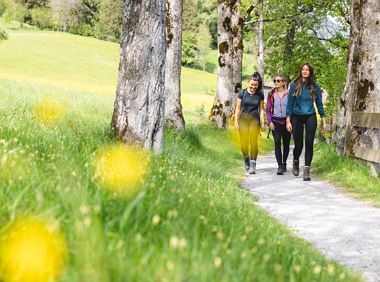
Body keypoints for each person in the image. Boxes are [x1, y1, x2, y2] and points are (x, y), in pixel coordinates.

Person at [286, 63, 327, 181]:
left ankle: (306, 170)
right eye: (303, 69)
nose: (304, 71)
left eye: (307, 70)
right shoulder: (294, 86)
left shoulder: (315, 86)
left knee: (309, 143)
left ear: (310, 72)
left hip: (310, 116)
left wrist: (324, 120)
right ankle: (295, 161)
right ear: (300, 71)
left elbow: (319, 104)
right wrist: (288, 121)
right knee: (298, 145)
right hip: (296, 117)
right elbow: (289, 104)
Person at [234, 72, 265, 174]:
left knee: (253, 141)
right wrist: (236, 122)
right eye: (252, 84)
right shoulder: (242, 93)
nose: (253, 87)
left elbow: (261, 110)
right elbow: (238, 108)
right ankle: (246, 158)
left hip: (254, 120)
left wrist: (262, 123)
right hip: (243, 119)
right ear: (248, 83)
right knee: (244, 143)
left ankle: (253, 164)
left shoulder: (260, 94)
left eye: (255, 85)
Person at [266, 74, 291, 175]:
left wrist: (290, 122)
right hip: (275, 122)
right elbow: (268, 110)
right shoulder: (271, 94)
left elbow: (291, 108)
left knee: (286, 144)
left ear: (284, 82)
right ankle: (279, 166)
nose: (276, 82)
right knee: (277, 143)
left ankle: (284, 162)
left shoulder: (289, 94)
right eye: (275, 81)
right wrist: (270, 121)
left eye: (278, 81)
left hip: (286, 122)